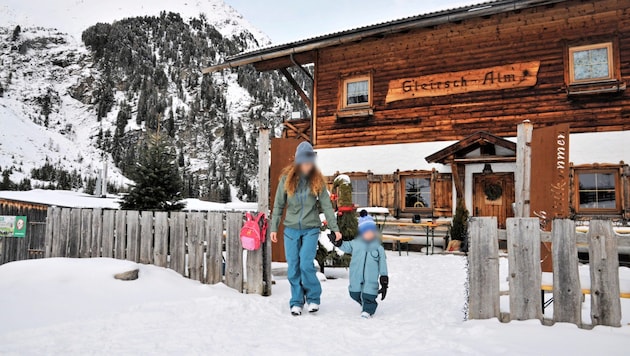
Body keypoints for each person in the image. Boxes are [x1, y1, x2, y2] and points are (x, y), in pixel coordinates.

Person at [270, 142, 341, 316]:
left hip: (311, 228)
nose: (308, 165)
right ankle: (296, 301)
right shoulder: (287, 179)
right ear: (298, 161)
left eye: (311, 162)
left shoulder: (317, 180)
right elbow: (279, 205)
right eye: (305, 162)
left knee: (306, 263)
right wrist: (274, 227)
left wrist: (335, 228)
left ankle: (313, 299)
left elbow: (327, 205)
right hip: (291, 229)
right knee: (293, 266)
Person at [331, 215, 389, 319]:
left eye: (371, 231)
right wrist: (337, 242)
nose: (369, 234)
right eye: (366, 231)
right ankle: (364, 302)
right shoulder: (355, 243)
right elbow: (345, 246)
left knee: (369, 294)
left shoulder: (378, 248)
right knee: (354, 293)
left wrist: (384, 279)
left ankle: (368, 309)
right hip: (356, 276)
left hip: (371, 278)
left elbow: (383, 263)